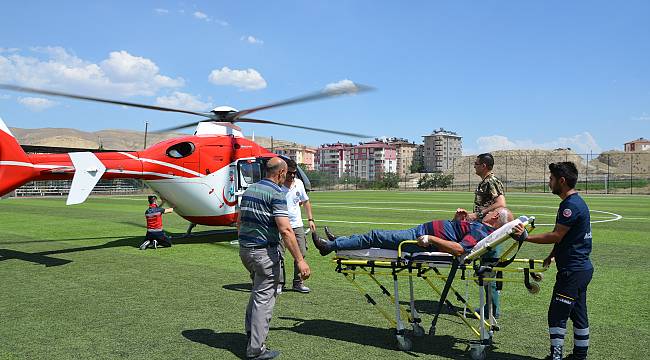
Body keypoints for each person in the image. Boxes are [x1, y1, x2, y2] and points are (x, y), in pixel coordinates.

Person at [513, 162, 593, 360]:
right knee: (578, 313)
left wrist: (525, 237)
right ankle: (580, 355)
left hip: (572, 271)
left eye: (551, 179)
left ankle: (556, 356)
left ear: (562, 181)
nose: (549, 182)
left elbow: (557, 235)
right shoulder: (574, 202)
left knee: (557, 313)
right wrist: (552, 254)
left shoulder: (570, 206)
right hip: (581, 269)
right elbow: (567, 237)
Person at [238, 157, 311, 360]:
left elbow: (239, 222)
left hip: (246, 251)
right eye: (286, 174)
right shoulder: (276, 193)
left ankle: (251, 334)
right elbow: (286, 230)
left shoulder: (250, 190)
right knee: (265, 298)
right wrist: (300, 260)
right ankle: (255, 349)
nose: (287, 178)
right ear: (280, 173)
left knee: (256, 292)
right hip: (264, 253)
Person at [315, 208, 513, 256]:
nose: (488, 212)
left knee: (375, 236)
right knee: (376, 235)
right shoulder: (479, 226)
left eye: (492, 212)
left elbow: (460, 249)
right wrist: (456, 220)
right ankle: (340, 240)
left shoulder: (480, 231)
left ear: (495, 218)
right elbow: (454, 235)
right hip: (420, 232)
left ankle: (330, 246)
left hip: (418, 239)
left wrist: (430, 237)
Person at [462, 153, 507, 319]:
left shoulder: (491, 181)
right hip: (484, 229)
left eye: (476, 163)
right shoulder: (485, 182)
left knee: (488, 269)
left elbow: (501, 204)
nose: (474, 166)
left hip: (490, 231)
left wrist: (479, 214)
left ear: (484, 166)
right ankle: (489, 308)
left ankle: (492, 311)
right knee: (485, 269)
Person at [278, 158, 315, 294]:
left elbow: (305, 201)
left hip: (297, 225)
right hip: (280, 226)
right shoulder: (277, 185)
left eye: (294, 173)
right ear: (283, 172)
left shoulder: (299, 183)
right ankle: (279, 283)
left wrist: (310, 219)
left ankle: (298, 283)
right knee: (279, 255)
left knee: (301, 253)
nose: (292, 176)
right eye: (290, 173)